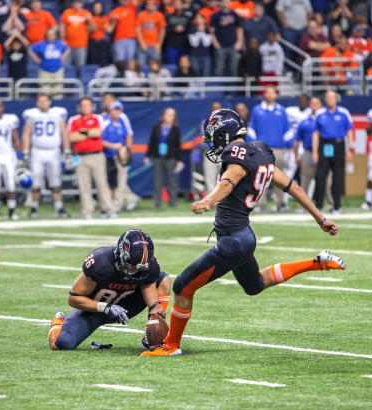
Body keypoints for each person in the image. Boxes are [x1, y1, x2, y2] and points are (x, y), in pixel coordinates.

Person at [142, 108, 345, 357]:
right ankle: (317, 263)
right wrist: (320, 218)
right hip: (244, 237)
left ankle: (171, 345)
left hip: (233, 242)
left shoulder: (236, 156)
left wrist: (208, 200)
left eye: (215, 136)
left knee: (183, 287)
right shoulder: (261, 153)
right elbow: (294, 188)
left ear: (225, 134)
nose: (213, 142)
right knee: (255, 284)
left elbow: (229, 180)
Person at [48, 230, 171, 351]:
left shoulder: (149, 266)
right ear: (122, 256)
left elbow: (147, 285)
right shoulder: (101, 262)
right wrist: (105, 307)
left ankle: (151, 336)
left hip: (127, 304)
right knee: (61, 344)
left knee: (163, 279)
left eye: (141, 268)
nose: (137, 272)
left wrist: (155, 308)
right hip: (95, 309)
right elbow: (74, 299)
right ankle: (58, 323)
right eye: (132, 266)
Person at [22, 93, 71, 219]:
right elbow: (26, 134)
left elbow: (64, 132)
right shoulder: (32, 114)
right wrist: (26, 151)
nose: (43, 103)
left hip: (53, 151)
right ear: (37, 103)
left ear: (50, 102)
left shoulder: (57, 113)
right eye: (40, 101)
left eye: (45, 101)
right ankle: (34, 208)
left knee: (55, 181)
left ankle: (59, 208)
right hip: (37, 151)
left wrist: (66, 149)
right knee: (36, 182)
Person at [68, 97, 115, 219]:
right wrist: (89, 133)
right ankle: (87, 211)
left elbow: (98, 133)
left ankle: (107, 209)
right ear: (79, 107)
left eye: (88, 105)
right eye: (83, 105)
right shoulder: (74, 120)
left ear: (92, 106)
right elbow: (72, 137)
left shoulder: (97, 118)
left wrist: (83, 132)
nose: (85, 108)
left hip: (96, 155)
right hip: (80, 156)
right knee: (84, 185)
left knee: (101, 183)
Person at [248, 85, 292, 211]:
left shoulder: (282, 110)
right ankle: (259, 203)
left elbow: (288, 130)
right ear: (264, 94)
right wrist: (253, 145)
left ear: (276, 95)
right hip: (261, 150)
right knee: (260, 177)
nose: (269, 95)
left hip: (278, 149)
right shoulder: (257, 110)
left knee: (280, 178)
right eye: (267, 92)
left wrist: (288, 145)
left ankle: (281, 203)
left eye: (272, 93)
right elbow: (251, 130)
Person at [312, 89, 353, 214]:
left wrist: (350, 149)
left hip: (339, 144)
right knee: (320, 176)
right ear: (325, 99)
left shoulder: (343, 113)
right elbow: (316, 133)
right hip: (325, 145)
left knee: (337, 177)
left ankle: (336, 206)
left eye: (332, 97)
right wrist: (314, 151)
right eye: (328, 97)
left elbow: (349, 131)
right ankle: (319, 205)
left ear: (336, 99)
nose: (330, 99)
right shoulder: (320, 114)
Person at [145, 107, 182, 208]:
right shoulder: (156, 127)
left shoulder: (176, 128)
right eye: (167, 114)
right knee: (157, 181)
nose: (169, 117)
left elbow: (178, 145)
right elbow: (152, 142)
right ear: (163, 116)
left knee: (171, 181)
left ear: (174, 117)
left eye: (171, 115)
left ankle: (173, 203)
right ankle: (157, 203)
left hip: (171, 158)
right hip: (158, 157)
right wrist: (148, 155)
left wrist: (179, 160)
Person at [101, 101, 131, 205]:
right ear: (110, 111)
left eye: (118, 110)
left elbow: (129, 135)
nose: (116, 113)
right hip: (107, 156)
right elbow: (99, 141)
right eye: (114, 110)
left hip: (120, 156)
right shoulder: (104, 121)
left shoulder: (123, 120)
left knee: (121, 181)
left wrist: (126, 151)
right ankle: (108, 202)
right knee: (108, 182)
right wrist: (114, 146)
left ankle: (118, 203)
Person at [294, 96, 322, 199]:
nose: (314, 106)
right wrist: (296, 156)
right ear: (310, 106)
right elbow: (297, 140)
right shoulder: (305, 122)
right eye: (312, 103)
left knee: (326, 179)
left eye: (316, 103)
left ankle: (330, 204)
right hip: (308, 152)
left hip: (323, 152)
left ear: (320, 105)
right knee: (305, 178)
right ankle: (303, 204)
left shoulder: (325, 119)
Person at [28, 28, 69, 98]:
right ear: (46, 35)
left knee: (58, 91)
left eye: (52, 35)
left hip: (58, 70)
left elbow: (67, 48)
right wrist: (37, 60)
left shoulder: (59, 44)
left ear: (55, 36)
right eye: (49, 35)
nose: (51, 36)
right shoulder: (41, 44)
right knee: (44, 92)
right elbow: (30, 49)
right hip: (45, 70)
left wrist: (63, 58)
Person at [210, 0, 244, 76]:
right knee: (219, 69)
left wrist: (239, 42)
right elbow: (211, 31)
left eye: (228, 2)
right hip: (220, 46)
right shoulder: (216, 15)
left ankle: (233, 87)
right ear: (221, 3)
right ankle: (219, 87)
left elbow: (239, 29)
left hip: (233, 45)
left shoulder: (234, 14)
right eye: (224, 1)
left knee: (234, 69)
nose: (226, 3)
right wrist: (216, 44)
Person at [60, 0, 92, 75]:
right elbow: (62, 27)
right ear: (73, 4)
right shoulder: (67, 12)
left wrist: (89, 21)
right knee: (66, 66)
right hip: (68, 45)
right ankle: (67, 84)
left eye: (79, 3)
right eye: (76, 3)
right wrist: (63, 39)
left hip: (81, 45)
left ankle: (79, 83)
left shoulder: (86, 13)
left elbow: (92, 29)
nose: (77, 5)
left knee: (80, 66)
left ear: (82, 4)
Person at [136, 0, 166, 68]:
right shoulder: (141, 15)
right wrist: (141, 43)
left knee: (156, 65)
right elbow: (137, 29)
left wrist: (159, 44)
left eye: (152, 4)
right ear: (146, 5)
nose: (150, 6)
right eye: (148, 4)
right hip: (144, 45)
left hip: (155, 45)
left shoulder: (159, 15)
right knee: (141, 65)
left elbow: (162, 30)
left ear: (155, 6)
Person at [164, 0, 194, 65]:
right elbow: (165, 29)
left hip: (184, 45)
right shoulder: (169, 17)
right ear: (174, 5)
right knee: (172, 65)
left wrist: (184, 29)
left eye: (179, 4)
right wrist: (175, 29)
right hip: (172, 45)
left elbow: (191, 29)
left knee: (184, 65)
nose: (178, 6)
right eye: (176, 4)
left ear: (182, 5)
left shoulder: (187, 17)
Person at [88, 1, 111, 66]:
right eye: (96, 7)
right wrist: (97, 25)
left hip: (102, 42)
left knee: (102, 60)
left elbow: (109, 30)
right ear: (93, 8)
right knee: (93, 60)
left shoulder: (104, 18)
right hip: (92, 41)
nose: (98, 9)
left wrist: (114, 21)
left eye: (99, 7)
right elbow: (90, 30)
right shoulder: (90, 18)